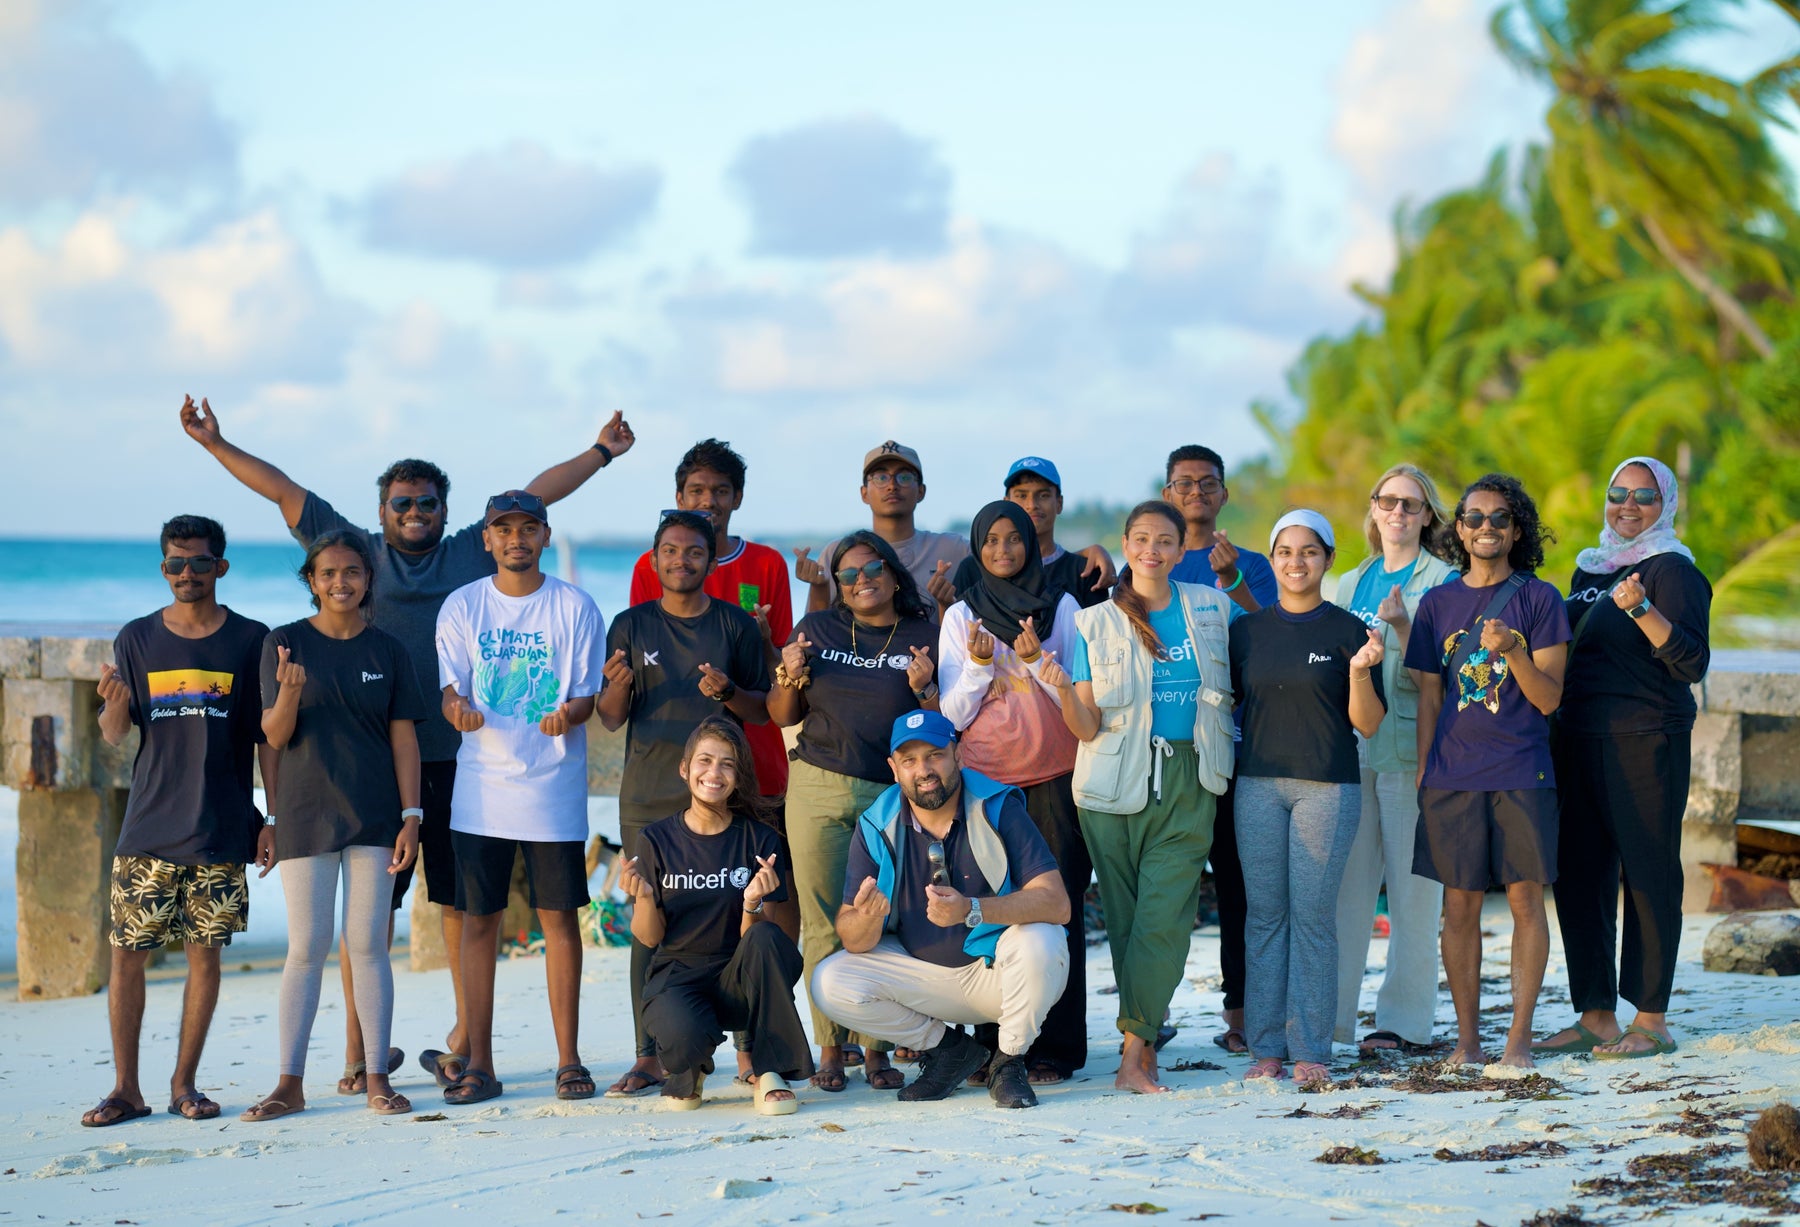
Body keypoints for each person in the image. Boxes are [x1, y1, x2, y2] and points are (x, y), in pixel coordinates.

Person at [180, 394, 635, 1093]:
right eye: (402, 504)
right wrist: (216, 443)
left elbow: (539, 494)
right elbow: (281, 490)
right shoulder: (355, 552)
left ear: (450, 516)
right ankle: (362, 1055)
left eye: (427, 504)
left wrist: (600, 453)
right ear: (382, 510)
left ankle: (463, 1039)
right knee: (369, 916)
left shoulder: (467, 555)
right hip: (373, 765)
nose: (414, 514)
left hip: (463, 763)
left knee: (461, 905)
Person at [1039, 500, 1239, 1094]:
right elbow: (1085, 725)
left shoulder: (1212, 607)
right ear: (1125, 545)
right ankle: (1143, 1040)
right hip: (1109, 784)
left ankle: (1133, 1053)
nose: (1152, 549)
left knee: (1164, 918)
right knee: (1125, 922)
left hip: (1190, 776)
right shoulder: (1093, 622)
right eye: (1141, 539)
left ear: (1181, 550)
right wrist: (1055, 689)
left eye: (1165, 540)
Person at [86, 515, 274, 1127]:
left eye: (198, 562)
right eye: (174, 563)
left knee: (205, 957)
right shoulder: (137, 639)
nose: (186, 574)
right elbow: (116, 735)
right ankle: (125, 1090)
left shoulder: (251, 639)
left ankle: (183, 1085)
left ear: (221, 566)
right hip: (148, 826)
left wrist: (268, 818)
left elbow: (265, 741)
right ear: (163, 568)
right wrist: (111, 709)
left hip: (221, 825)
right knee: (126, 957)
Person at [240, 532, 428, 1121]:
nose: (340, 582)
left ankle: (376, 1077)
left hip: (375, 817)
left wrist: (412, 817)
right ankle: (289, 1084)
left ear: (368, 579)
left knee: (369, 945)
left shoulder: (388, 650)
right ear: (312, 581)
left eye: (352, 572)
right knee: (306, 947)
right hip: (303, 813)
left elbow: (404, 739)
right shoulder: (285, 643)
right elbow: (272, 735)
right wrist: (290, 693)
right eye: (328, 574)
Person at [1536, 457, 1711, 1061]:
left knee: (1648, 874)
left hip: (1645, 738)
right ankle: (1596, 1016)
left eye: (1643, 495)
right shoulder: (1590, 568)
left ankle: (1652, 1018)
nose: (1628, 505)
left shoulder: (1674, 571)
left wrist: (1641, 608)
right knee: (1580, 876)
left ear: (1665, 503)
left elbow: (1691, 662)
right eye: (1617, 493)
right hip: (1577, 739)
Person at [434, 490, 605, 1104]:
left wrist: (569, 715)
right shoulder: (461, 606)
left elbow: (586, 693)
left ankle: (569, 1060)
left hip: (553, 791)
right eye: (503, 529)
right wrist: (456, 709)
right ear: (486, 539)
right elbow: (451, 690)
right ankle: (480, 1062)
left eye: (528, 528)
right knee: (479, 924)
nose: (516, 539)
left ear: (544, 534)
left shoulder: (575, 606)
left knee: (560, 923)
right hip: (480, 791)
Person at [812, 711, 1071, 1108]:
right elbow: (852, 937)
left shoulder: (997, 806)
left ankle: (1009, 1062)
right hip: (924, 980)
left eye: (935, 755)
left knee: (1043, 938)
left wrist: (973, 909)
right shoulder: (876, 824)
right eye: (910, 760)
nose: (924, 770)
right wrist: (867, 917)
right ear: (893, 768)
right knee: (830, 980)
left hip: (995, 976)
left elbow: (1057, 902)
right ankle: (951, 1053)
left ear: (959, 755)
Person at [599, 511, 774, 1098]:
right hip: (649, 797)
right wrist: (616, 689)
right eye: (669, 552)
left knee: (741, 915)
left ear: (709, 558)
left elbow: (762, 710)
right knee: (647, 923)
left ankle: (749, 1049)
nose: (681, 561)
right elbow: (609, 716)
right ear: (653, 560)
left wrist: (727, 691)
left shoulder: (734, 625)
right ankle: (650, 1053)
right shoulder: (629, 625)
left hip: (723, 790)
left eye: (694, 552)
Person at [1405, 474, 1569, 1070]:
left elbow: (1550, 699)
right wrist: (1428, 770)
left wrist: (1514, 651)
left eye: (1499, 518)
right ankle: (1467, 1042)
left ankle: (1518, 1041)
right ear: (1458, 530)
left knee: (1527, 902)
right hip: (1452, 775)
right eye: (1473, 518)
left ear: (1516, 530)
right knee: (1459, 908)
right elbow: (1428, 696)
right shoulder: (1438, 605)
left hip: (1522, 770)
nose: (1485, 528)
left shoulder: (1540, 599)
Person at [769, 531, 939, 1093]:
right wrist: (789, 670)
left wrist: (926, 688)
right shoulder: (815, 630)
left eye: (872, 570)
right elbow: (780, 713)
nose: (861, 580)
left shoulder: (923, 634)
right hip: (816, 785)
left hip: (888, 793)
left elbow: (941, 722)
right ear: (837, 585)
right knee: (821, 920)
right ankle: (830, 1049)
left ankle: (876, 1049)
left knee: (879, 917)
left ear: (893, 574)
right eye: (847, 574)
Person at [1230, 511, 1387, 1084]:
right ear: (1271, 561)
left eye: (1309, 552)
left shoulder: (1349, 631)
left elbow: (1367, 725)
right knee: (1266, 919)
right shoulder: (1246, 631)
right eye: (1285, 552)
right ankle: (1266, 1049)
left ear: (1327, 558)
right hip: (1257, 788)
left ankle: (1312, 1049)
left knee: (1314, 919)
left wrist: (1363, 671)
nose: (1296, 562)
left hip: (1328, 787)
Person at [938, 500, 1090, 1084]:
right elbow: (952, 711)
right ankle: (992, 1048)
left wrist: (1036, 660)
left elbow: (1078, 696)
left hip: (1054, 778)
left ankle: (1056, 1049)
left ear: (1031, 541)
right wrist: (979, 665)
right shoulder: (961, 616)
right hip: (985, 784)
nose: (1003, 551)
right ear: (977, 547)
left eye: (1014, 540)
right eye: (991, 541)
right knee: (986, 913)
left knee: (1060, 906)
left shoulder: (1064, 606)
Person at [616, 719, 813, 1113]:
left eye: (727, 764)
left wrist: (752, 904)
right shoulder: (656, 839)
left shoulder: (760, 839)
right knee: (682, 1054)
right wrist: (645, 898)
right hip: (680, 976)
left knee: (765, 937)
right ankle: (693, 1066)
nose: (714, 773)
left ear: (738, 777)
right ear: (685, 769)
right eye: (705, 761)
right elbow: (650, 938)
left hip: (740, 979)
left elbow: (763, 943)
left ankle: (768, 1068)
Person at [1331, 465, 1458, 1056]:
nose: (1398, 513)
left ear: (1428, 515)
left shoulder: (1445, 582)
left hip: (1413, 751)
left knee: (1413, 898)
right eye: (1389, 501)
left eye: (1412, 504)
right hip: (1352, 752)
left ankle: (1402, 1024)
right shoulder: (1350, 582)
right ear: (1374, 508)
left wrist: (1404, 628)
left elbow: (1444, 674)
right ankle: (1328, 1021)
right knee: (1345, 895)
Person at [1159, 444, 1273, 1055]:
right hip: (1166, 750)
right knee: (1168, 887)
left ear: (1224, 494)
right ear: (1167, 492)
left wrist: (1232, 582)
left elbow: (1274, 637)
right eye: (1184, 483)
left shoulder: (1251, 564)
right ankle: (1150, 1012)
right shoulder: (1149, 565)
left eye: (1208, 483)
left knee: (1235, 885)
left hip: (1233, 744)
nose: (1196, 492)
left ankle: (1239, 1012)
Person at [627, 438, 794, 803]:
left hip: (755, 756)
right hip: (673, 761)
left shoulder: (768, 564)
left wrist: (764, 642)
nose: (708, 501)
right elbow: (642, 661)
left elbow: (781, 668)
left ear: (737, 498)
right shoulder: (649, 567)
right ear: (679, 498)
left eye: (720, 490)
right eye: (697, 490)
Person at [794, 441, 971, 617]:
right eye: (880, 477)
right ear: (864, 493)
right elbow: (816, 632)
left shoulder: (955, 549)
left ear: (921, 491)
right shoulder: (839, 554)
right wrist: (819, 588)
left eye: (904, 477)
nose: (892, 486)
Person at [949, 456, 1116, 608]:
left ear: (1059, 503)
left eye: (1043, 495)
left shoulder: (1084, 571)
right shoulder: (973, 569)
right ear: (1006, 503)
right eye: (1021, 496)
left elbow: (1097, 637)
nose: (1031, 504)